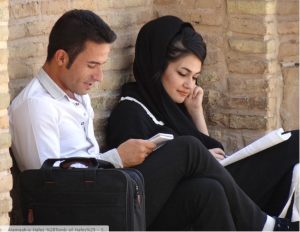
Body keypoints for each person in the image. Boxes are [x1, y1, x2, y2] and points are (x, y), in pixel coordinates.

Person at [106, 15, 299, 230]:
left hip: (220, 187)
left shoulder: (171, 107)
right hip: (179, 202)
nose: (189, 85)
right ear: (157, 65)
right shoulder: (131, 113)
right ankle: (267, 225)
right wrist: (197, 160)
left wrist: (196, 113)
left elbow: (211, 150)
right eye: (183, 73)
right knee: (295, 144)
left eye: (195, 77)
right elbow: (152, 179)